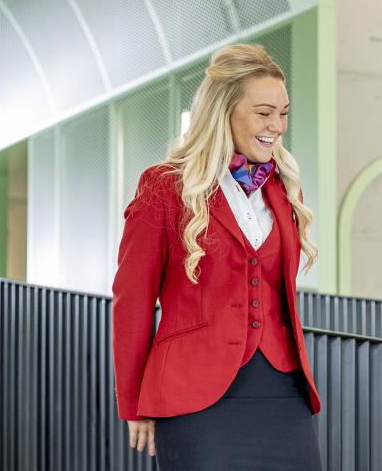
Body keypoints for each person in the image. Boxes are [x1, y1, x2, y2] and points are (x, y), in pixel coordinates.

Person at [111, 43, 323, 470]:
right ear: (223, 111)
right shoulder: (163, 187)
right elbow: (131, 302)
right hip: (193, 396)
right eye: (264, 113)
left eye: (284, 112)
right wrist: (133, 402)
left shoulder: (284, 188)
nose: (277, 126)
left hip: (282, 393)